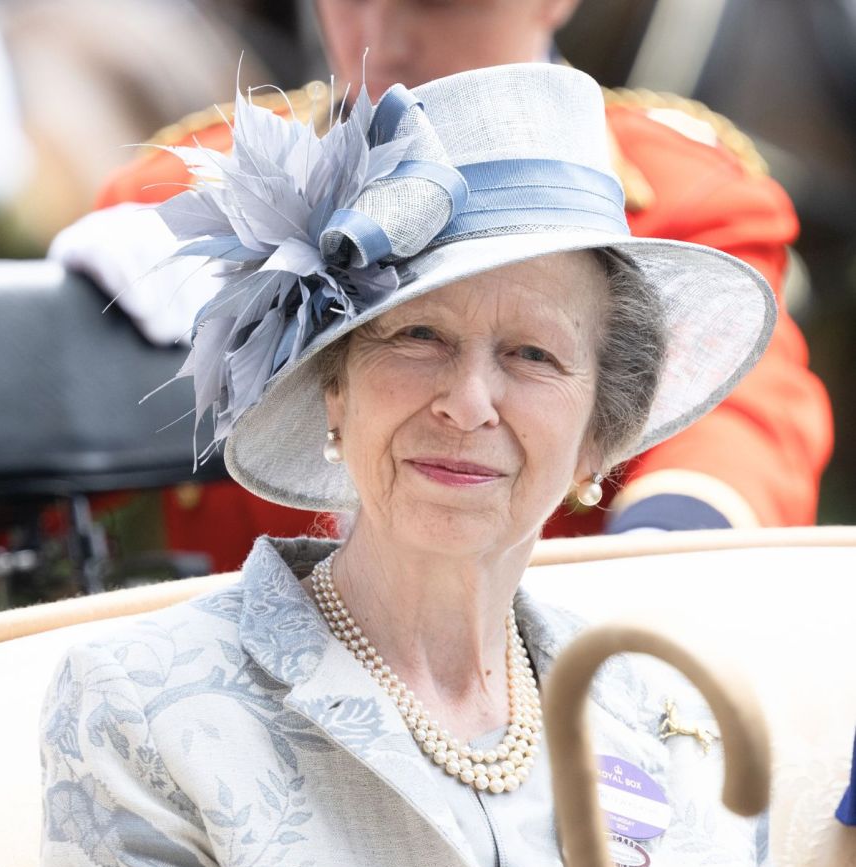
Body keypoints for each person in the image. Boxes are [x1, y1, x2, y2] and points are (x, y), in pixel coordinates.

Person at [40, 63, 803, 867]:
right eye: (416, 338)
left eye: (532, 355)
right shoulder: (146, 706)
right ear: (333, 388)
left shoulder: (672, 718)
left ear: (600, 436)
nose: (467, 402)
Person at [54, 0, 832, 571]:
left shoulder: (672, 192)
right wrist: (67, 356)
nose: (381, 35)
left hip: (553, 686)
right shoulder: (181, 190)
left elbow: (737, 419)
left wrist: (658, 561)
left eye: (437, 2)